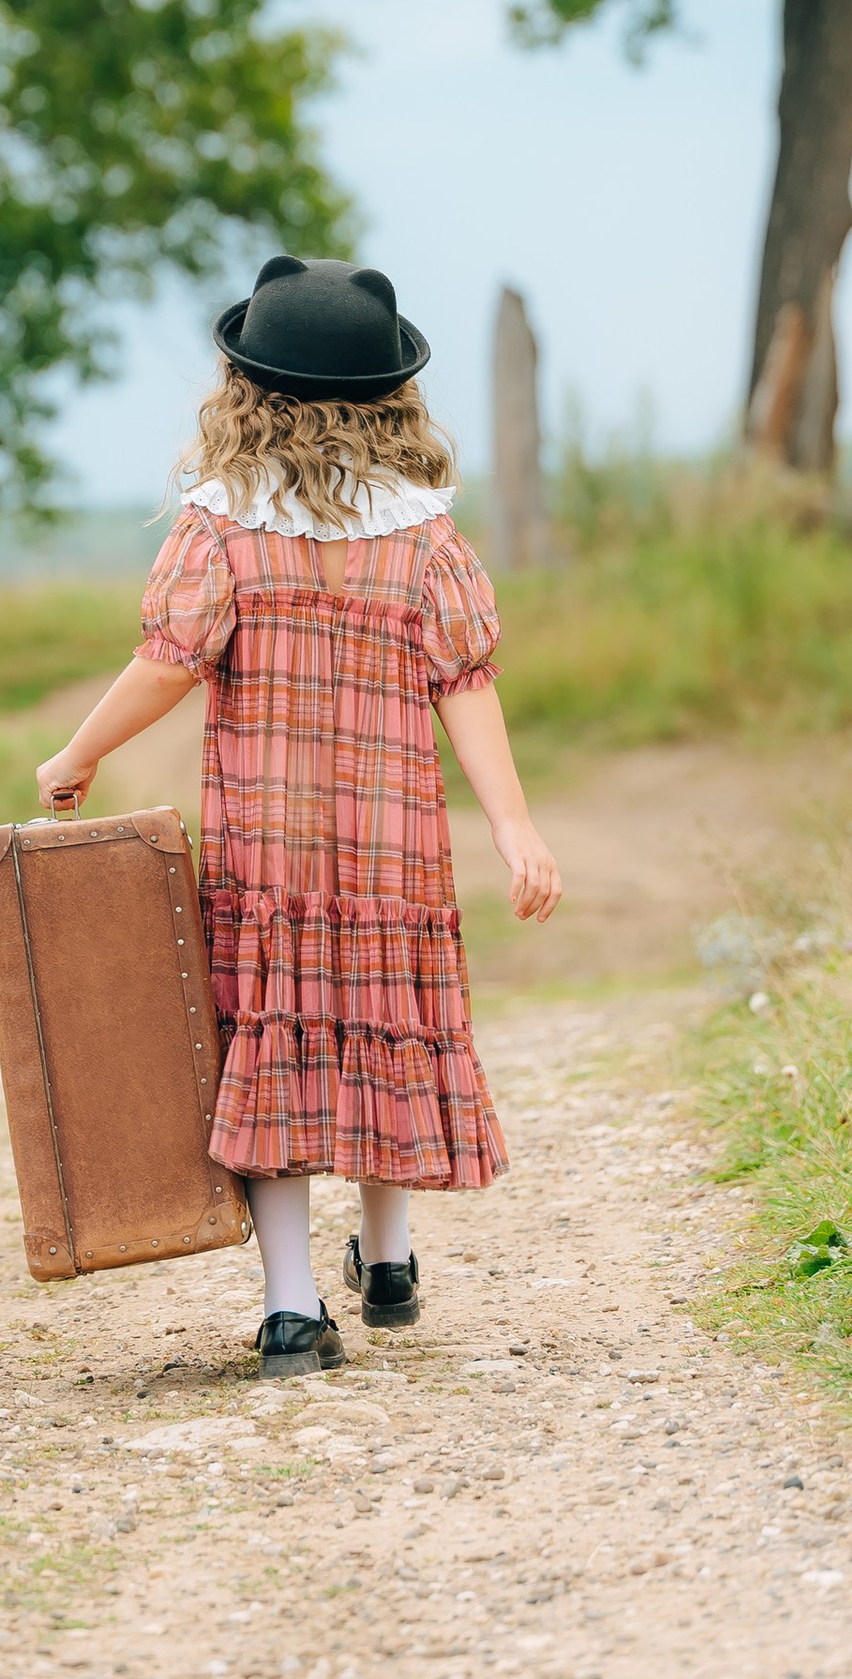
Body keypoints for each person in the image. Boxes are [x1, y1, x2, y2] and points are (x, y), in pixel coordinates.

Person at [35, 257, 561, 1373]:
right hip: (390, 852)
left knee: (269, 1040)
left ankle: (286, 1308)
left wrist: (79, 752)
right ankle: (384, 1255)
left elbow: (166, 665)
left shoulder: (220, 526)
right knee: (379, 1032)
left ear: (245, 392)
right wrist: (513, 827)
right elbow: (465, 685)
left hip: (264, 852)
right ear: (392, 398)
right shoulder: (424, 537)